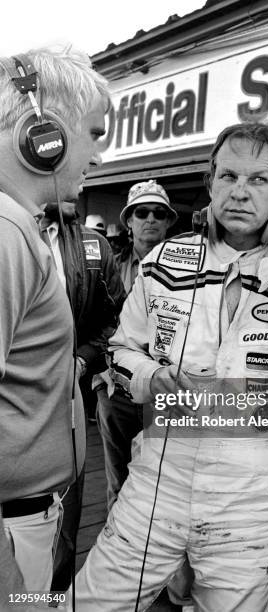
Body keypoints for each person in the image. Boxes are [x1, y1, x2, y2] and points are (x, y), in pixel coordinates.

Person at [71, 121, 268, 611]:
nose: (239, 193)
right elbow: (121, 349)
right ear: (210, 184)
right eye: (228, 176)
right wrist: (151, 377)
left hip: (250, 495)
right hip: (156, 479)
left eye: (257, 180)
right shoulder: (165, 259)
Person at [0, 46, 108, 596]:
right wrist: (8, 586)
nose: (98, 155)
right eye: (94, 133)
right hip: (10, 537)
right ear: (46, 133)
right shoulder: (7, 234)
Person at [40, 201, 125, 592]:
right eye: (87, 136)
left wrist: (82, 360)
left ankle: (50, 600)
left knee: (62, 530)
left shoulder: (93, 246)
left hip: (65, 407)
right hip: (12, 415)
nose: (93, 160)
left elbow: (115, 318)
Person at [95, 179, 177, 511]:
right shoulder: (108, 265)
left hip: (166, 391)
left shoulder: (192, 269)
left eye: (159, 213)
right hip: (116, 391)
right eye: (142, 212)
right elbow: (95, 320)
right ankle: (118, 556)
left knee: (165, 486)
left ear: (170, 221)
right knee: (119, 482)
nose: (151, 219)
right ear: (129, 220)